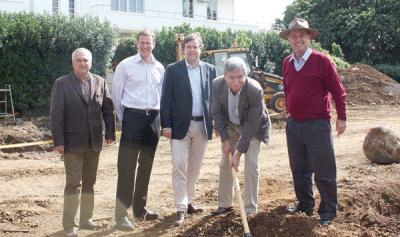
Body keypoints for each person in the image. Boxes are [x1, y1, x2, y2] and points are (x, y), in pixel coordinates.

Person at [279, 18, 347, 225]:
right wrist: (290, 112)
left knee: (324, 169)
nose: (298, 38)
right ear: (289, 39)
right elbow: (288, 89)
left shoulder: (322, 60)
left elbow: (338, 91)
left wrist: (342, 117)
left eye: (302, 34)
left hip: (318, 123)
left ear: (309, 37)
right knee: (299, 168)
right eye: (294, 35)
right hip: (295, 124)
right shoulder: (287, 63)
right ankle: (305, 204)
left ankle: (328, 211)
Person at [50, 48, 115, 237]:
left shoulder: (100, 82)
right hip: (71, 143)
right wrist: (58, 141)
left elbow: (108, 109)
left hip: (94, 143)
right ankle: (70, 225)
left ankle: (86, 220)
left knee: (89, 183)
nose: (82, 63)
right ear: (73, 63)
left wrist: (110, 133)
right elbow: (56, 115)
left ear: (91, 63)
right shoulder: (61, 84)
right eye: (79, 60)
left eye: (85, 60)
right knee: (73, 184)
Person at [160, 32, 217, 225]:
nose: (192, 50)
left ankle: (189, 201)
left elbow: (214, 99)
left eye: (195, 47)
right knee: (178, 165)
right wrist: (165, 124)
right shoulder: (173, 69)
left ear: (200, 49)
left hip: (202, 125)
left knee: (194, 167)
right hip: (179, 127)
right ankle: (180, 208)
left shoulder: (210, 70)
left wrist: (215, 122)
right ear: (183, 49)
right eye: (188, 47)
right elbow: (166, 99)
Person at [111, 29, 164, 231]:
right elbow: (116, 95)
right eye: (141, 42)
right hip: (132, 117)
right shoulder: (125, 65)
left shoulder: (160, 67)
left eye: (148, 43)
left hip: (153, 119)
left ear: (153, 44)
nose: (144, 46)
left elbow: (160, 94)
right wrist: (127, 119)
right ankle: (121, 214)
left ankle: (140, 209)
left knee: (146, 165)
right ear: (137, 44)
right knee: (126, 167)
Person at [211, 57, 271, 216]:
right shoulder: (217, 85)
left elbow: (251, 124)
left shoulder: (254, 89)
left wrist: (238, 153)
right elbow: (217, 113)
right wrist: (225, 140)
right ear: (225, 76)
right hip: (231, 125)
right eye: (231, 77)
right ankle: (225, 204)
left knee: (251, 164)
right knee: (226, 163)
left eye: (240, 77)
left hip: (253, 127)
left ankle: (250, 207)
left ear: (246, 74)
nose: (236, 81)